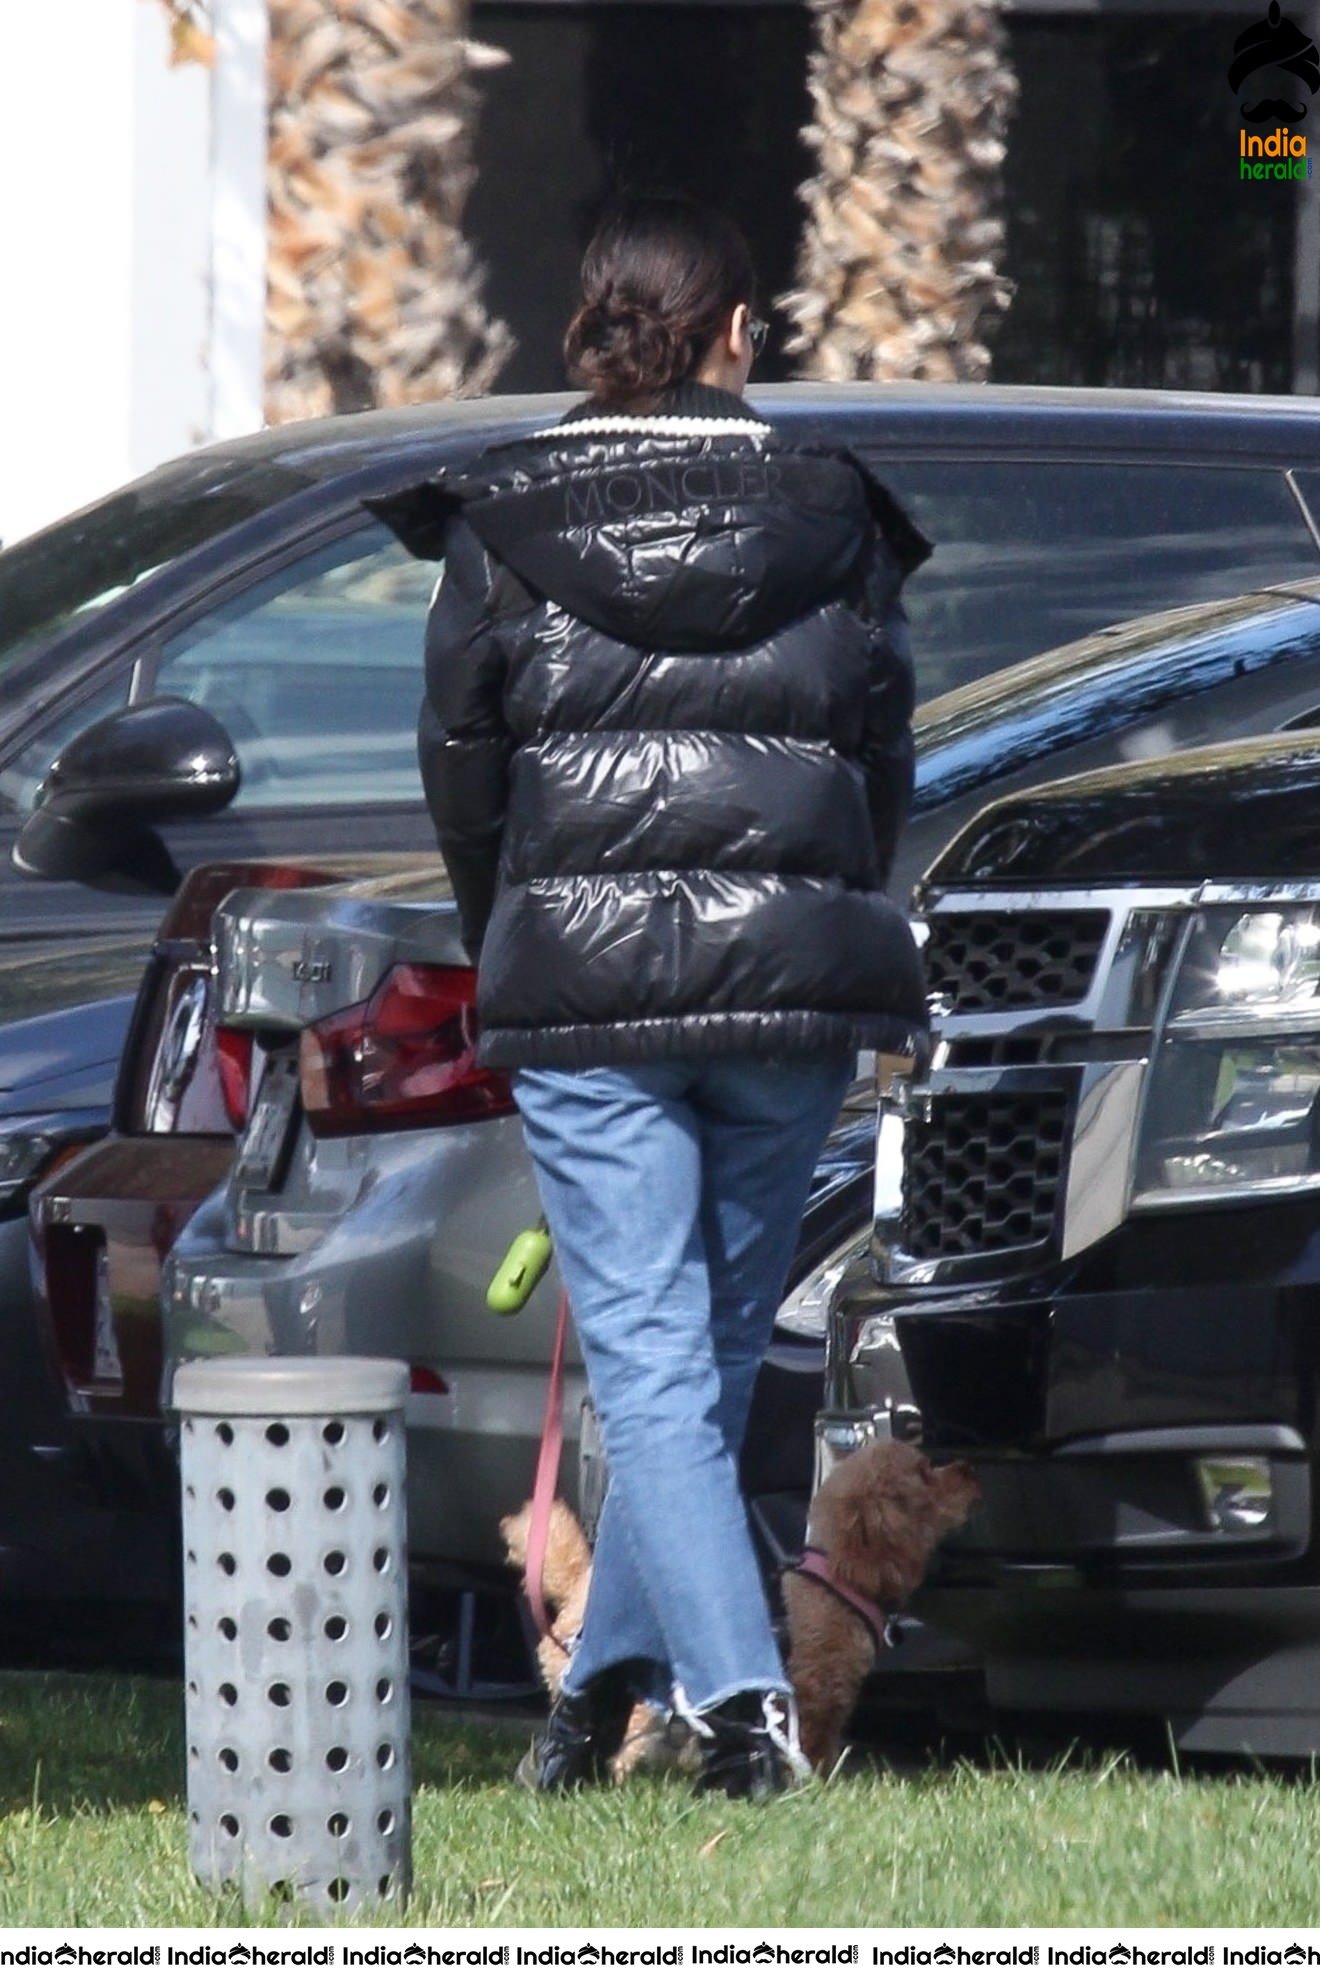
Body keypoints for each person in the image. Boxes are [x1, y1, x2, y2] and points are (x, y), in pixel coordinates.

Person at [417, 194, 931, 1800]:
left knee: (657, 1358)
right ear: (736, 335)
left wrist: (513, 928)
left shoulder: (504, 518)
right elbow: (882, 753)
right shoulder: (836, 508)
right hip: (784, 994)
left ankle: (739, 1711)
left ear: (593, 329)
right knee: (689, 1363)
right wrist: (817, 909)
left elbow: (463, 768)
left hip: (589, 990)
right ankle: (606, 1702)